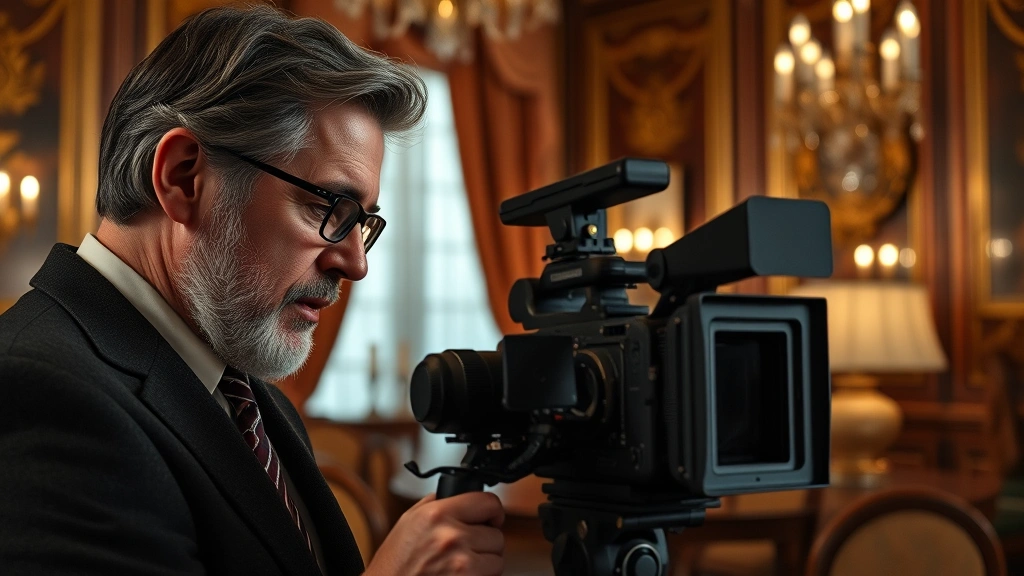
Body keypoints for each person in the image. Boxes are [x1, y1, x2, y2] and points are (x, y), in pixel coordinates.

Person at [0, 5, 505, 576]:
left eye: (362, 221)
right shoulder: (37, 392)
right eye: (326, 207)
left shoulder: (256, 399)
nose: (356, 263)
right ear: (184, 177)